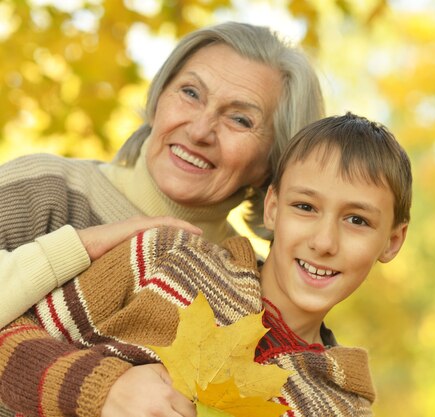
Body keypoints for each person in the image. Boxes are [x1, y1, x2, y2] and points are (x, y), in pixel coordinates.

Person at [0, 113, 412, 417]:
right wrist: (102, 388)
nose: (324, 242)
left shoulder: (341, 408)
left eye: (357, 220)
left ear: (392, 240)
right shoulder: (165, 258)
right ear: (272, 208)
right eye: (305, 207)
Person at [0, 21, 325, 328]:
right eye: (191, 93)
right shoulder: (45, 187)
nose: (200, 131)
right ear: (157, 101)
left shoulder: (256, 287)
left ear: (273, 163)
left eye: (240, 120)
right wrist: (81, 248)